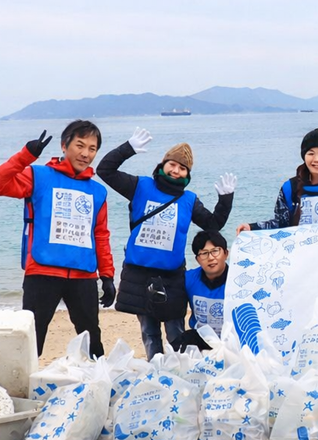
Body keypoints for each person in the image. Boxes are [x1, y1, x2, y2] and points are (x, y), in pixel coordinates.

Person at [96, 128, 235, 359]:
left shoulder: (188, 199)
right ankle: (157, 371)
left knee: (176, 332)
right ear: (163, 164)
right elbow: (105, 170)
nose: (176, 170)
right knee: (149, 333)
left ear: (187, 174)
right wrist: (127, 149)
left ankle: (181, 371)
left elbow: (213, 224)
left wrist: (225, 200)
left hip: (171, 278)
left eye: (182, 168)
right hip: (140, 275)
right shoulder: (140, 186)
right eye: (173, 164)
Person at [0, 120, 115, 358]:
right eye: (80, 145)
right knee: (31, 340)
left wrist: (107, 276)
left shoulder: (97, 191)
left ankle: (97, 388)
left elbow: (100, 235)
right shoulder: (38, 176)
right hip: (42, 272)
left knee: (92, 342)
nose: (85, 154)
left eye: (92, 148)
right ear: (64, 146)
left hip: (83, 275)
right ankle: (22, 389)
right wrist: (26, 156)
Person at [236, 127, 318, 232]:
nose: (317, 159)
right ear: (304, 156)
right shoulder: (289, 188)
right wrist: (251, 228)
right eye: (311, 154)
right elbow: (280, 223)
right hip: (299, 254)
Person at [176, 230, 230, 351]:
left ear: (226, 253)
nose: (211, 258)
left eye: (215, 251)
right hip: (201, 338)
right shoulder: (188, 279)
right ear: (197, 259)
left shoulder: (237, 281)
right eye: (204, 253)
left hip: (230, 340)